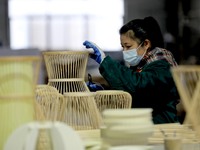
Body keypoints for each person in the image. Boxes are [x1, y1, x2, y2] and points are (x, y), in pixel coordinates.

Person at [83, 16, 180, 124]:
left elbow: (137, 86)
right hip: (145, 125)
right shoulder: (141, 65)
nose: (124, 51)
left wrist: (105, 62)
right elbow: (130, 94)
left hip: (162, 127)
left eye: (128, 46)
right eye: (122, 47)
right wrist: (103, 91)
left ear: (146, 44)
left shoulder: (162, 65)